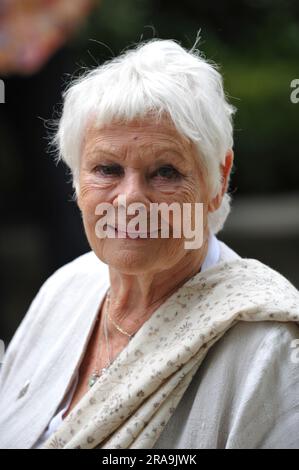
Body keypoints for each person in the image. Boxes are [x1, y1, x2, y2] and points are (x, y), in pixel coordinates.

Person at [0, 38, 298, 449]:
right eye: (107, 169)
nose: (130, 200)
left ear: (218, 178)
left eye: (165, 172)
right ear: (75, 181)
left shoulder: (268, 346)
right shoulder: (65, 288)